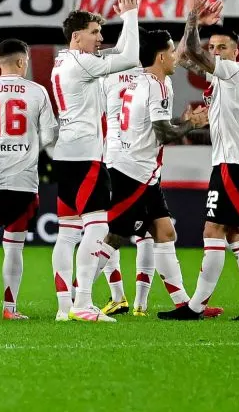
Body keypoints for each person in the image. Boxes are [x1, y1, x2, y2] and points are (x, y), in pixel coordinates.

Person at [160, 0, 239, 321]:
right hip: (229, 162)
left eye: (223, 47)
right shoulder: (220, 79)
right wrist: (196, 29)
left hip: (232, 165)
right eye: (214, 47)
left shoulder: (235, 72)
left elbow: (193, 51)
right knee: (236, 233)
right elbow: (182, 57)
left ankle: (194, 306)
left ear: (236, 52)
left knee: (213, 231)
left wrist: (193, 18)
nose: (216, 51)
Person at [102, 28, 224, 320]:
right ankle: (77, 299)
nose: (174, 58)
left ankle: (183, 303)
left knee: (164, 231)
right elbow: (163, 133)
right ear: (160, 56)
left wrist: (182, 121)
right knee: (115, 236)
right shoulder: (158, 84)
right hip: (133, 171)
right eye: (171, 52)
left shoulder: (141, 81)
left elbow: (153, 126)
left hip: (141, 168)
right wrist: (191, 124)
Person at [49, 0, 141, 323]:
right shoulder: (80, 64)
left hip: (67, 155)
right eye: (95, 32)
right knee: (98, 228)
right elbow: (130, 57)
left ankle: (64, 307)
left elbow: (115, 55)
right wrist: (130, 16)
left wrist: (121, 30)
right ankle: (83, 303)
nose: (100, 38)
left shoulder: (65, 62)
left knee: (67, 232)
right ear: (77, 37)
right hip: (86, 156)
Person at [0, 39, 58, 320]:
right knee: (13, 247)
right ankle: (9, 308)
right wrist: (29, 149)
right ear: (21, 61)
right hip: (23, 183)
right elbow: (50, 135)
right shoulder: (37, 92)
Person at [97, 54, 148, 317]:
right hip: (145, 159)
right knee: (149, 232)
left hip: (114, 158)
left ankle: (114, 296)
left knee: (109, 228)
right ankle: (137, 303)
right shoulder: (151, 77)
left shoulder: (106, 74)